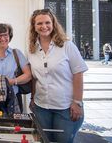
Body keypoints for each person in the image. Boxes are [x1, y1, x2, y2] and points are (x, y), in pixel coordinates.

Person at [27, 9, 88, 143]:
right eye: (39, 23)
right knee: (44, 140)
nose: (44, 26)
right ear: (34, 27)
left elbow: (78, 74)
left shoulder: (67, 46)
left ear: (53, 24)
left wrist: (77, 102)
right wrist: (32, 98)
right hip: (41, 107)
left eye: (47, 22)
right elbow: (35, 77)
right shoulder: (32, 49)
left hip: (65, 107)